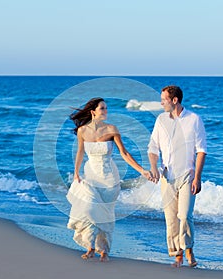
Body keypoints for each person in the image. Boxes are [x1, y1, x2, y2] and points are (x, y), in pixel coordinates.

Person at [67, 97, 151, 262]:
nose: (106, 111)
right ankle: (90, 247)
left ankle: (104, 250)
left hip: (109, 178)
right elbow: (80, 152)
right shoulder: (83, 131)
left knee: (105, 214)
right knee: (89, 209)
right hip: (91, 175)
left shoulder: (112, 129)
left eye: (106, 108)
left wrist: (142, 170)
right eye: (102, 109)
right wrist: (76, 172)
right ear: (93, 112)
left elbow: (124, 153)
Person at [147, 85, 207, 268]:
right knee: (171, 218)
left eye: (163, 99)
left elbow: (202, 151)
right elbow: (153, 148)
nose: (161, 102)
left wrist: (197, 177)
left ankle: (188, 248)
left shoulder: (194, 119)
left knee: (185, 215)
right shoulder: (161, 120)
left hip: (187, 175)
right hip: (167, 176)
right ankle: (177, 255)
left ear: (175, 100)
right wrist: (153, 167)